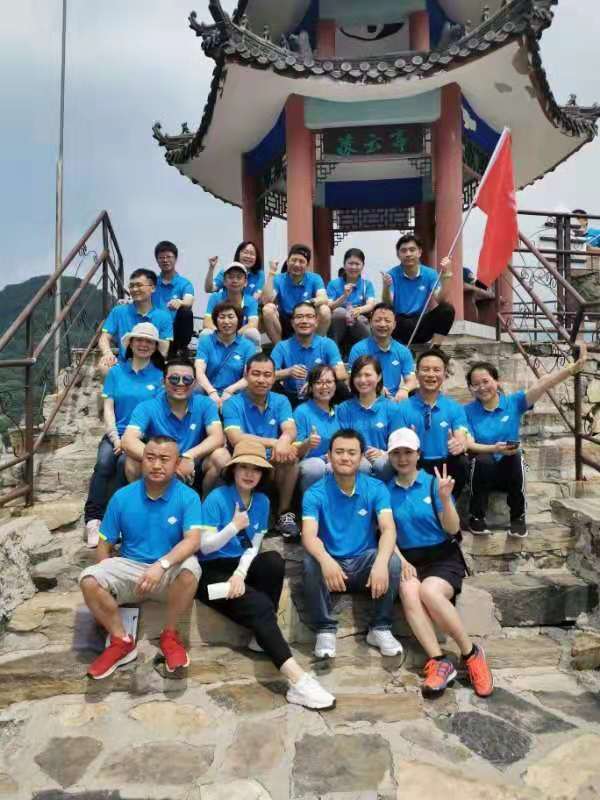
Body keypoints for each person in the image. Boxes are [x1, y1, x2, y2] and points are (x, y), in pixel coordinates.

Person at [197, 439, 335, 710]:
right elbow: (204, 546)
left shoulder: (261, 501)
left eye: (256, 469)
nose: (250, 474)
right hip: (211, 574)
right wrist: (233, 526)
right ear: (233, 469)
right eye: (244, 467)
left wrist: (239, 575)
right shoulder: (217, 498)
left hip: (238, 566)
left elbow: (254, 546)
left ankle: (259, 637)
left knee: (272, 560)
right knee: (260, 605)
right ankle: (298, 681)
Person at [79, 436, 202, 679]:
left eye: (164, 459)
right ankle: (120, 641)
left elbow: (193, 540)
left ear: (177, 464)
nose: (156, 465)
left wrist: (161, 565)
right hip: (130, 569)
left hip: (167, 573)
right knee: (89, 579)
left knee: (191, 568)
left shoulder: (188, 497)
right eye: (150, 458)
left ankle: (170, 635)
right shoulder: (122, 497)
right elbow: (104, 544)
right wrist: (108, 588)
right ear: (141, 460)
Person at [387, 427, 493, 698]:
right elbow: (386, 533)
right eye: (396, 453)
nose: (402, 458)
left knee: (429, 591)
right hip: (409, 559)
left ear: (418, 454)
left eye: (408, 452)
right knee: (408, 589)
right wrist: (400, 559)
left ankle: (471, 653)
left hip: (442, 558)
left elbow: (453, 528)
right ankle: (439, 661)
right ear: (389, 457)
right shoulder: (385, 491)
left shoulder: (434, 484)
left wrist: (446, 500)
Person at [465, 343, 587, 537]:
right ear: (471, 388)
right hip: (482, 473)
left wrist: (572, 368)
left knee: (516, 456)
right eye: (475, 384)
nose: (482, 387)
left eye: (486, 381)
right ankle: (476, 517)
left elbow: (543, 384)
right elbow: (469, 443)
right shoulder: (467, 411)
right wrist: (494, 448)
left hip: (508, 470)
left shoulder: (513, 402)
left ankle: (518, 517)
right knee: (482, 459)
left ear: (496, 381)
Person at [302, 428, 402, 659]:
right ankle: (325, 629)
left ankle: (380, 628)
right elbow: (309, 535)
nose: (345, 457)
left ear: (361, 457)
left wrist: (380, 563)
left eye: (351, 452)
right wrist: (326, 560)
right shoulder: (315, 493)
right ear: (329, 455)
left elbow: (388, 528)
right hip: (332, 566)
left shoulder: (375, 488)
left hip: (363, 564)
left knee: (392, 562)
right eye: (339, 452)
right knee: (310, 562)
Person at [84, 323, 165, 548]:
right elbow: (108, 408)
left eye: (149, 341)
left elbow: (157, 412)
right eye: (139, 340)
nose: (143, 344)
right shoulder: (116, 372)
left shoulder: (160, 376)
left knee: (123, 464)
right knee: (104, 462)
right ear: (130, 343)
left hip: (143, 437)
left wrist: (130, 442)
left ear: (155, 346)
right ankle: (93, 519)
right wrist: (116, 439)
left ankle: (116, 520)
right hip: (116, 432)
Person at [122, 357, 228, 494]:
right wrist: (169, 461)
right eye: (174, 379)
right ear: (163, 381)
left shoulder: (206, 404)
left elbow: (217, 437)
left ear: (195, 383)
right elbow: (128, 440)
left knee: (222, 456)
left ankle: (206, 503)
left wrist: (189, 456)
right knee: (131, 460)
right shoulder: (147, 407)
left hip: (194, 464)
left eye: (187, 379)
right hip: (159, 466)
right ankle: (145, 502)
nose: (181, 383)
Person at [222, 353, 300, 539]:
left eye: (267, 375)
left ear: (273, 377)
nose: (262, 380)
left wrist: (284, 440)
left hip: (270, 460)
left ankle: (283, 514)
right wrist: (275, 442)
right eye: (256, 374)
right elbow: (236, 438)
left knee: (291, 457)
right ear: (246, 375)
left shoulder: (281, 400)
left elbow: (290, 429)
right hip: (243, 459)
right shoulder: (233, 403)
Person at [395, 348, 470, 499]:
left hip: (445, 464)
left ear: (445, 374)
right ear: (417, 374)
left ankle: (451, 503)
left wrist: (459, 444)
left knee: (462, 461)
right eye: (425, 370)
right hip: (416, 463)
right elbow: (398, 442)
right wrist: (409, 441)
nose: (431, 374)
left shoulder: (454, 408)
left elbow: (461, 434)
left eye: (436, 370)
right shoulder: (402, 408)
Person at [271, 301, 348, 408]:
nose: (304, 321)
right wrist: (288, 372)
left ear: (316, 321)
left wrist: (314, 382)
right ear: (292, 322)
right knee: (269, 385)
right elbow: (268, 374)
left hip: (321, 394)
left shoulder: (327, 344)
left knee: (341, 386)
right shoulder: (282, 347)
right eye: (299, 317)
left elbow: (342, 374)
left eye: (309, 316)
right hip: (291, 397)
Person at [382, 234, 455, 345]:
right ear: (398, 254)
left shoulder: (430, 274)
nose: (408, 254)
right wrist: (386, 287)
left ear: (419, 252)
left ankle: (435, 349)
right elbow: (388, 303)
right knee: (383, 313)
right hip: (398, 324)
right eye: (404, 251)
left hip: (420, 323)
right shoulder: (391, 274)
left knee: (447, 309)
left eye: (412, 250)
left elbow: (441, 300)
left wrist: (447, 275)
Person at [98, 269, 172, 376]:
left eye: (139, 285)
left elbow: (165, 347)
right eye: (131, 286)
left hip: (151, 365)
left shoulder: (164, 317)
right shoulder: (118, 311)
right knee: (104, 365)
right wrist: (108, 353)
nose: (134, 289)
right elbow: (104, 337)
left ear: (153, 288)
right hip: (124, 364)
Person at [336, 356, 400, 481]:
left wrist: (383, 453)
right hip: (353, 460)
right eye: (358, 375)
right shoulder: (343, 409)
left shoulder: (392, 408)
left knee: (382, 464)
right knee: (361, 466)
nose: (362, 380)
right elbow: (340, 441)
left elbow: (398, 443)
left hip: (383, 463)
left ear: (379, 377)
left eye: (368, 375)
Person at [348, 303, 417, 401]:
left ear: (394, 325)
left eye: (387, 321)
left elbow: (412, 380)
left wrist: (404, 389)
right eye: (378, 320)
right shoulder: (358, 349)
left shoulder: (403, 351)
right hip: (366, 399)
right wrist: (374, 387)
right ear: (370, 323)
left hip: (394, 400)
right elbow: (351, 380)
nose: (382, 324)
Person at [262, 244, 331, 343]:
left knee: (325, 310)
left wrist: (306, 303)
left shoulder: (315, 278)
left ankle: (314, 346)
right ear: (287, 262)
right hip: (285, 320)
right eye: (293, 260)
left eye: (301, 261)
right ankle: (279, 348)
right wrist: (271, 273)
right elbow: (266, 300)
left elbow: (323, 298)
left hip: (306, 318)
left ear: (307, 265)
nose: (297, 264)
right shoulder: (278, 279)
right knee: (268, 309)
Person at [195, 302, 256, 409]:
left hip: (235, 394)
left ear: (239, 320)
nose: (226, 321)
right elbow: (199, 372)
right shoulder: (206, 341)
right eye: (222, 317)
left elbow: (249, 376)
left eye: (231, 317)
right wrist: (212, 392)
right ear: (215, 320)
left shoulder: (248, 346)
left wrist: (230, 391)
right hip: (208, 393)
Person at [293, 365, 339, 491]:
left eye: (329, 382)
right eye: (318, 383)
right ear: (310, 387)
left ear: (335, 385)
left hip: (335, 460)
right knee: (317, 466)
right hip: (311, 464)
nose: (324, 386)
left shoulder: (340, 411)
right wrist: (307, 443)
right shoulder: (301, 412)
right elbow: (295, 452)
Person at [327, 248, 376, 355]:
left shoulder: (367, 285)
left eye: (357, 264)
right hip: (338, 322)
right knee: (339, 312)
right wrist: (344, 296)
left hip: (358, 319)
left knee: (360, 319)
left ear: (362, 266)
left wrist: (358, 310)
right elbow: (329, 306)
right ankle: (334, 352)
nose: (353, 267)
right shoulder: (333, 284)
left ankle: (366, 353)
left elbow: (370, 305)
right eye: (350, 263)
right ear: (344, 265)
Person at [153, 241, 195, 357]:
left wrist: (180, 302)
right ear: (157, 260)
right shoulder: (151, 282)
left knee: (186, 312)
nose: (165, 260)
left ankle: (181, 349)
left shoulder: (184, 283)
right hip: (155, 330)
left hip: (175, 332)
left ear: (175, 259)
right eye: (161, 258)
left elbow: (189, 301)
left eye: (168, 257)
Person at [203, 262, 261, 347]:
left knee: (252, 333)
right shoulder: (215, 297)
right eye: (231, 277)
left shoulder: (251, 301)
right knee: (205, 333)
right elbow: (207, 322)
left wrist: (233, 336)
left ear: (245, 282)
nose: (235, 280)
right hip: (219, 337)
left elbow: (253, 324)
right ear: (224, 282)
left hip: (240, 338)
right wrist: (222, 334)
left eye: (239, 277)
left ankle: (253, 355)